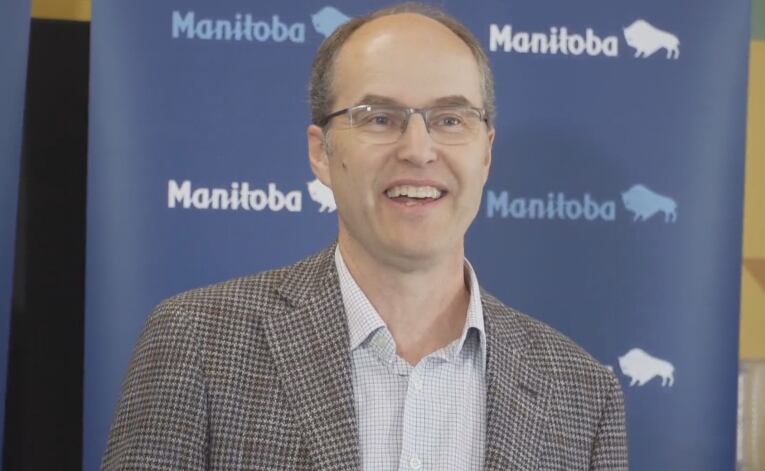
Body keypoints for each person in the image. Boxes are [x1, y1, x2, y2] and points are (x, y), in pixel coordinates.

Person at [102, 3, 628, 470]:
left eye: (450, 118)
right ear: (321, 151)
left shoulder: (582, 394)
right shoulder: (198, 342)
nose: (419, 150)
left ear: (486, 152)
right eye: (379, 118)